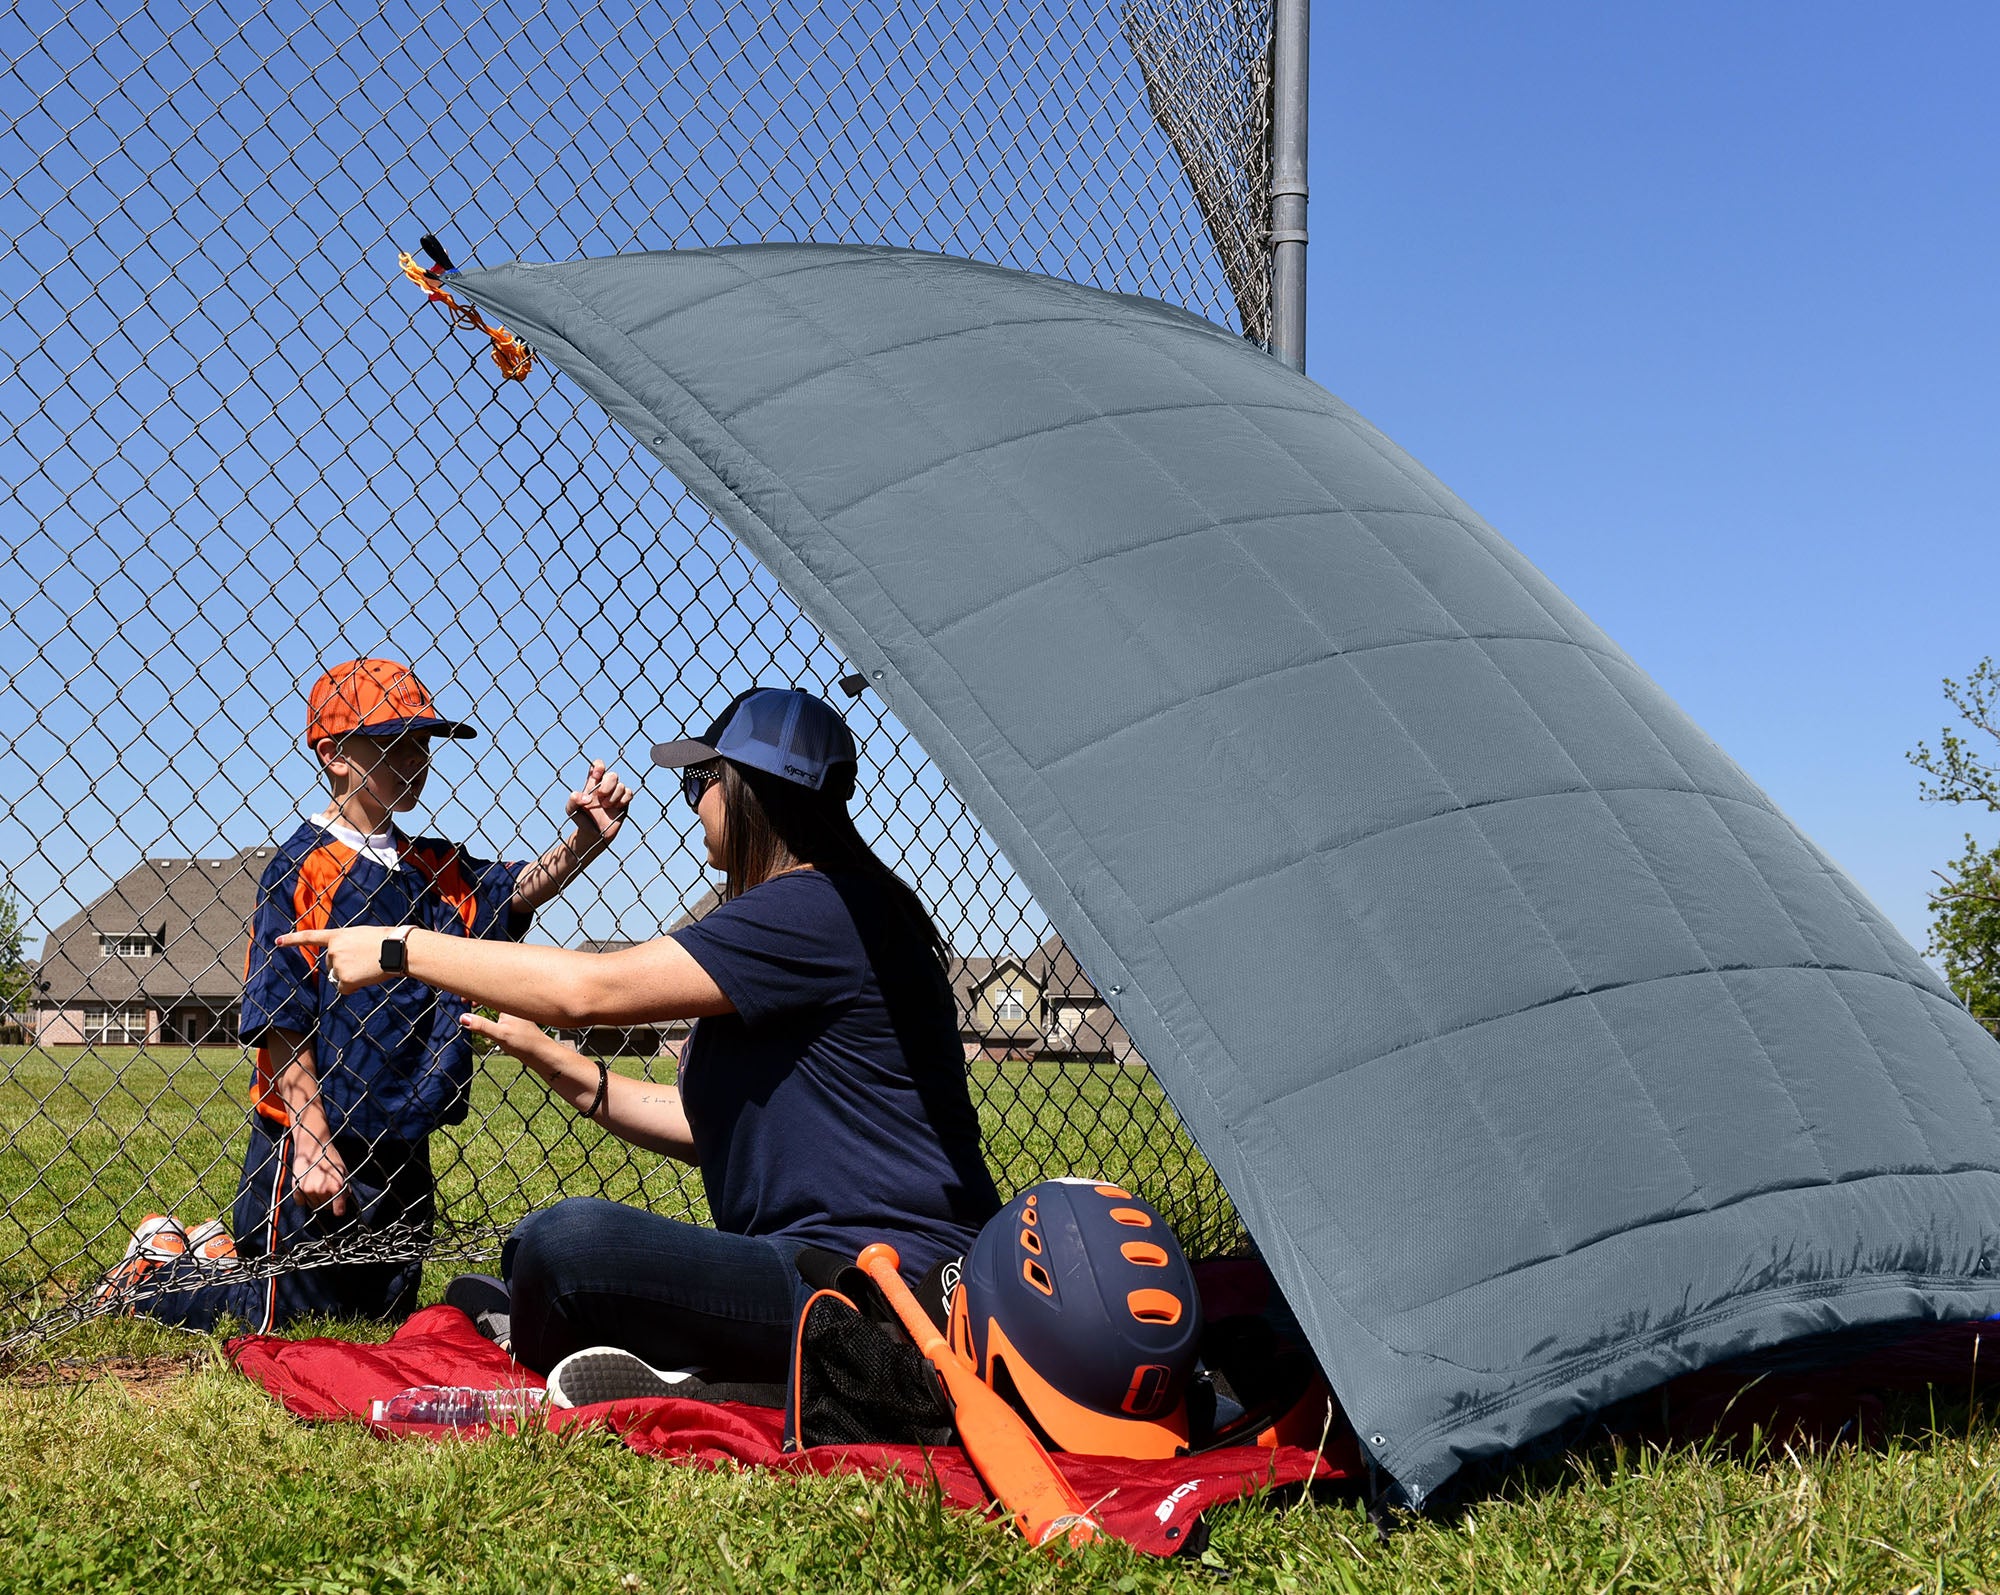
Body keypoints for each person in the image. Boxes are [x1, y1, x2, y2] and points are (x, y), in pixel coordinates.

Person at [281, 686, 1001, 1387]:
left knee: (569, 1246)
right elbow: (707, 1125)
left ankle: (680, 1372)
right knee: (542, 1245)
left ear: (748, 787)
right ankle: (679, 1358)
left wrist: (399, 948)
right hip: (838, 1268)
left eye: (700, 779)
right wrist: (563, 1067)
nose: (693, 802)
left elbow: (590, 990)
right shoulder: (837, 904)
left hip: (881, 1286)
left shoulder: (813, 908)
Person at [104, 657, 633, 1332]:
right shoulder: (303, 868)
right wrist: (310, 1136)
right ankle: (154, 1276)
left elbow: (515, 890)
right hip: (312, 1144)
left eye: (423, 742)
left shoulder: (435, 867)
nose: (416, 757)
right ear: (334, 755)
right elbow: (282, 1014)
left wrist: (584, 841)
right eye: (394, 742)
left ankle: (210, 1249)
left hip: (402, 1139)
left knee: (379, 1317)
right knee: (275, 1318)